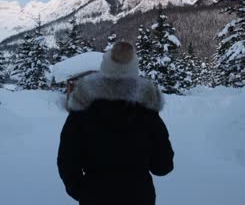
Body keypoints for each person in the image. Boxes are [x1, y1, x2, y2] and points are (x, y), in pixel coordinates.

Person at [57, 41, 174, 205]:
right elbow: (163, 166)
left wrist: (82, 192)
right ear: (133, 68)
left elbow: (67, 160)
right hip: (139, 197)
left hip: (94, 196)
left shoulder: (83, 108)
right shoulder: (148, 112)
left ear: (105, 67)